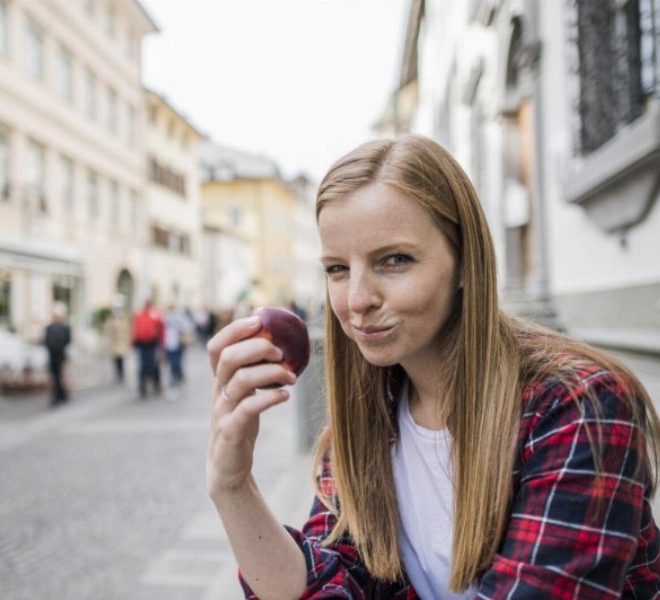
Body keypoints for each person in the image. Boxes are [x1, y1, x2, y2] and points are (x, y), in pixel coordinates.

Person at [206, 135, 660, 599]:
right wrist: (232, 486)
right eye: (337, 269)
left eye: (395, 260)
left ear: (464, 262)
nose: (357, 300)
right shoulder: (365, 425)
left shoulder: (577, 408)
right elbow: (334, 585)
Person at [132, 299, 164, 398]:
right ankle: (143, 386)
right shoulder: (139, 315)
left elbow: (160, 328)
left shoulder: (154, 315)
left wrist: (161, 343)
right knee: (143, 366)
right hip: (142, 343)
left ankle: (155, 384)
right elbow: (135, 328)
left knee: (152, 364)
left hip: (151, 343)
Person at [44, 302, 71, 407]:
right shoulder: (49, 328)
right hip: (52, 355)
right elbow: (46, 341)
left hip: (61, 354)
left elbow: (67, 340)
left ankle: (63, 394)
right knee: (54, 376)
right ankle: (57, 395)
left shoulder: (64, 327)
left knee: (62, 375)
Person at [163, 304, 195, 388]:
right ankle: (174, 379)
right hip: (169, 346)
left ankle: (178, 376)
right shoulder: (165, 319)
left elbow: (188, 327)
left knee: (177, 363)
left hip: (179, 345)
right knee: (172, 364)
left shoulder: (180, 318)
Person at [103, 308, 131, 384]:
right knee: (115, 361)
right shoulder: (111, 322)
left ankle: (121, 374)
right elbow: (107, 331)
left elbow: (126, 332)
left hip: (120, 344)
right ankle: (118, 374)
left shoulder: (123, 322)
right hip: (114, 345)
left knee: (120, 360)